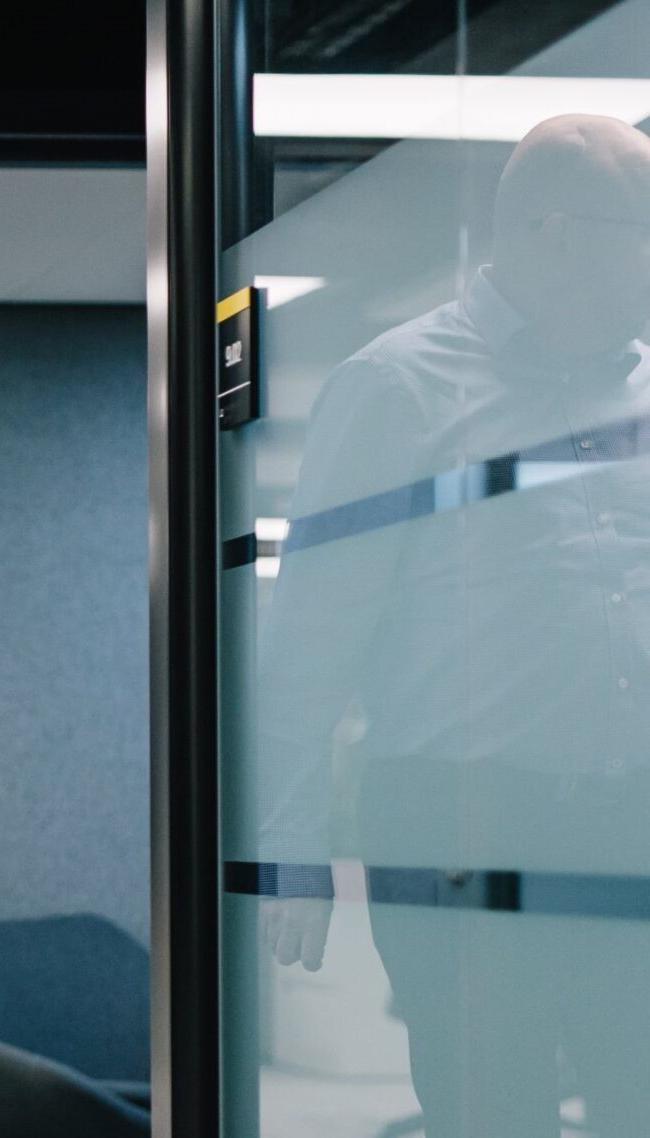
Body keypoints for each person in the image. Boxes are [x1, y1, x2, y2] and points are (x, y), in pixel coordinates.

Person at [254, 114, 650, 1137]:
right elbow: (308, 639)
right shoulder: (398, 386)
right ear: (555, 232)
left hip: (627, 819)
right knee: (493, 1110)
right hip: (459, 821)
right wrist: (290, 848)